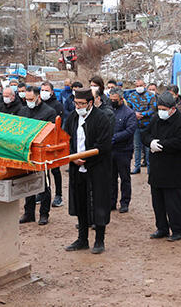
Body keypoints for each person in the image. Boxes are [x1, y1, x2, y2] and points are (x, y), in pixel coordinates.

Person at [63, 89, 113, 254]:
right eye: (76, 103)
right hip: (77, 168)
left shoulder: (101, 119)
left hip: (97, 168)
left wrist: (86, 158)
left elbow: (104, 145)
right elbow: (66, 140)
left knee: (98, 203)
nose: (78, 106)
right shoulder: (72, 118)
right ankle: (82, 238)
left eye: (81, 104)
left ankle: (99, 240)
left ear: (90, 103)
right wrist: (72, 157)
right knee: (80, 203)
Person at [142, 92, 181, 242]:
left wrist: (160, 145)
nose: (161, 112)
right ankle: (162, 228)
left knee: (174, 203)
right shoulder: (156, 119)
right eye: (159, 108)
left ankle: (178, 230)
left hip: (175, 169)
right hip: (157, 168)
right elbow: (145, 135)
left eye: (164, 109)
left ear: (172, 109)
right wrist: (150, 142)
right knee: (158, 202)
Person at [18, 86, 57, 225]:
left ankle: (44, 214)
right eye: (26, 99)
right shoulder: (23, 111)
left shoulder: (49, 112)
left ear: (38, 97)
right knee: (28, 183)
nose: (28, 101)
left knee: (44, 184)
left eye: (31, 99)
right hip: (27, 153)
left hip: (42, 153)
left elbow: (51, 133)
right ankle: (29, 213)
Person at [39, 81, 66, 207]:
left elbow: (60, 125)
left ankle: (59, 195)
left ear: (52, 92)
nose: (43, 92)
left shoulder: (57, 105)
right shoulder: (39, 104)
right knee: (43, 171)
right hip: (42, 142)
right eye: (42, 89)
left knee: (55, 170)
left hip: (54, 141)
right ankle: (43, 193)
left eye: (46, 90)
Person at [109, 88, 137, 213]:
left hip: (124, 150)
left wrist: (114, 138)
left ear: (121, 99)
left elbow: (130, 130)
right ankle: (111, 202)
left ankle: (125, 202)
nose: (113, 102)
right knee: (111, 178)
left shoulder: (129, 113)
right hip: (110, 150)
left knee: (125, 178)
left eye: (115, 100)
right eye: (111, 99)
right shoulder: (109, 111)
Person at [128, 79, 156, 174]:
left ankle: (149, 167)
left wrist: (142, 114)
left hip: (148, 126)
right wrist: (134, 114)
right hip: (136, 125)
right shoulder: (132, 96)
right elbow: (128, 108)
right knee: (137, 147)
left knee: (148, 147)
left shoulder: (151, 95)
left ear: (144, 85)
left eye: (141, 85)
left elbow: (153, 109)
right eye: (137, 85)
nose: (139, 87)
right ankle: (137, 167)